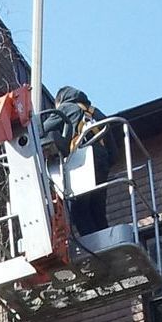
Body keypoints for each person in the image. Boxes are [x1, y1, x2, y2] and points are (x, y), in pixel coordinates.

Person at [39, 86, 119, 237]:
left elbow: (42, 129)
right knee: (97, 210)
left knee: (79, 209)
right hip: (102, 163)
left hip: (84, 159)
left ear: (60, 100)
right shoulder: (96, 112)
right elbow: (114, 153)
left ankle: (93, 245)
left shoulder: (66, 107)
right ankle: (106, 239)